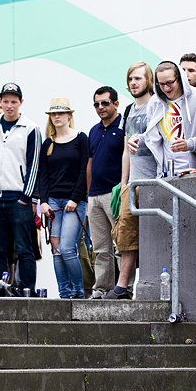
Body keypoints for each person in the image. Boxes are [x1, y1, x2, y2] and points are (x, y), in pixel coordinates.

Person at [0, 82, 41, 293]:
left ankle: (27, 289)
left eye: (13, 101)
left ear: (20, 103)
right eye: (5, 101)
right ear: (0, 102)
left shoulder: (31, 128)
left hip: (18, 198)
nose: (9, 105)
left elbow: (34, 165)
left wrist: (26, 197)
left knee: (25, 249)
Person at [113, 62, 156, 300]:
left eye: (138, 78)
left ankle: (146, 287)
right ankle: (122, 287)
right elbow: (125, 150)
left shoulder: (156, 106)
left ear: (148, 80)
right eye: (130, 78)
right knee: (126, 234)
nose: (133, 83)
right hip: (133, 181)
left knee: (151, 235)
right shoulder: (129, 110)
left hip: (154, 181)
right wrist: (123, 183)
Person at [38, 98, 89, 299]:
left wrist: (75, 198)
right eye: (53, 114)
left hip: (74, 203)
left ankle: (78, 292)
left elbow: (85, 171)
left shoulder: (80, 138)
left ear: (69, 115)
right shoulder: (48, 143)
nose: (57, 117)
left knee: (68, 248)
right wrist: (42, 201)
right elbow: (43, 175)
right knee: (56, 250)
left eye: (61, 113)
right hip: (53, 202)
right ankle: (64, 294)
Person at [132, 61, 196, 175]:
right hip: (167, 174)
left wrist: (188, 144)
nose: (166, 88)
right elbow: (152, 136)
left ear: (179, 78)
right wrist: (137, 140)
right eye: (161, 84)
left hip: (195, 172)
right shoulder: (155, 102)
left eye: (169, 83)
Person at [86, 86, 123, 299]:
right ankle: (102, 289)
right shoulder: (93, 130)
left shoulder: (124, 127)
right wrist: (89, 195)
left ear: (115, 104)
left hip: (115, 194)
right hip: (95, 196)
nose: (100, 107)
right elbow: (90, 164)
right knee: (100, 248)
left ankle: (124, 288)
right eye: (96, 104)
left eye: (105, 103)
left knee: (121, 245)